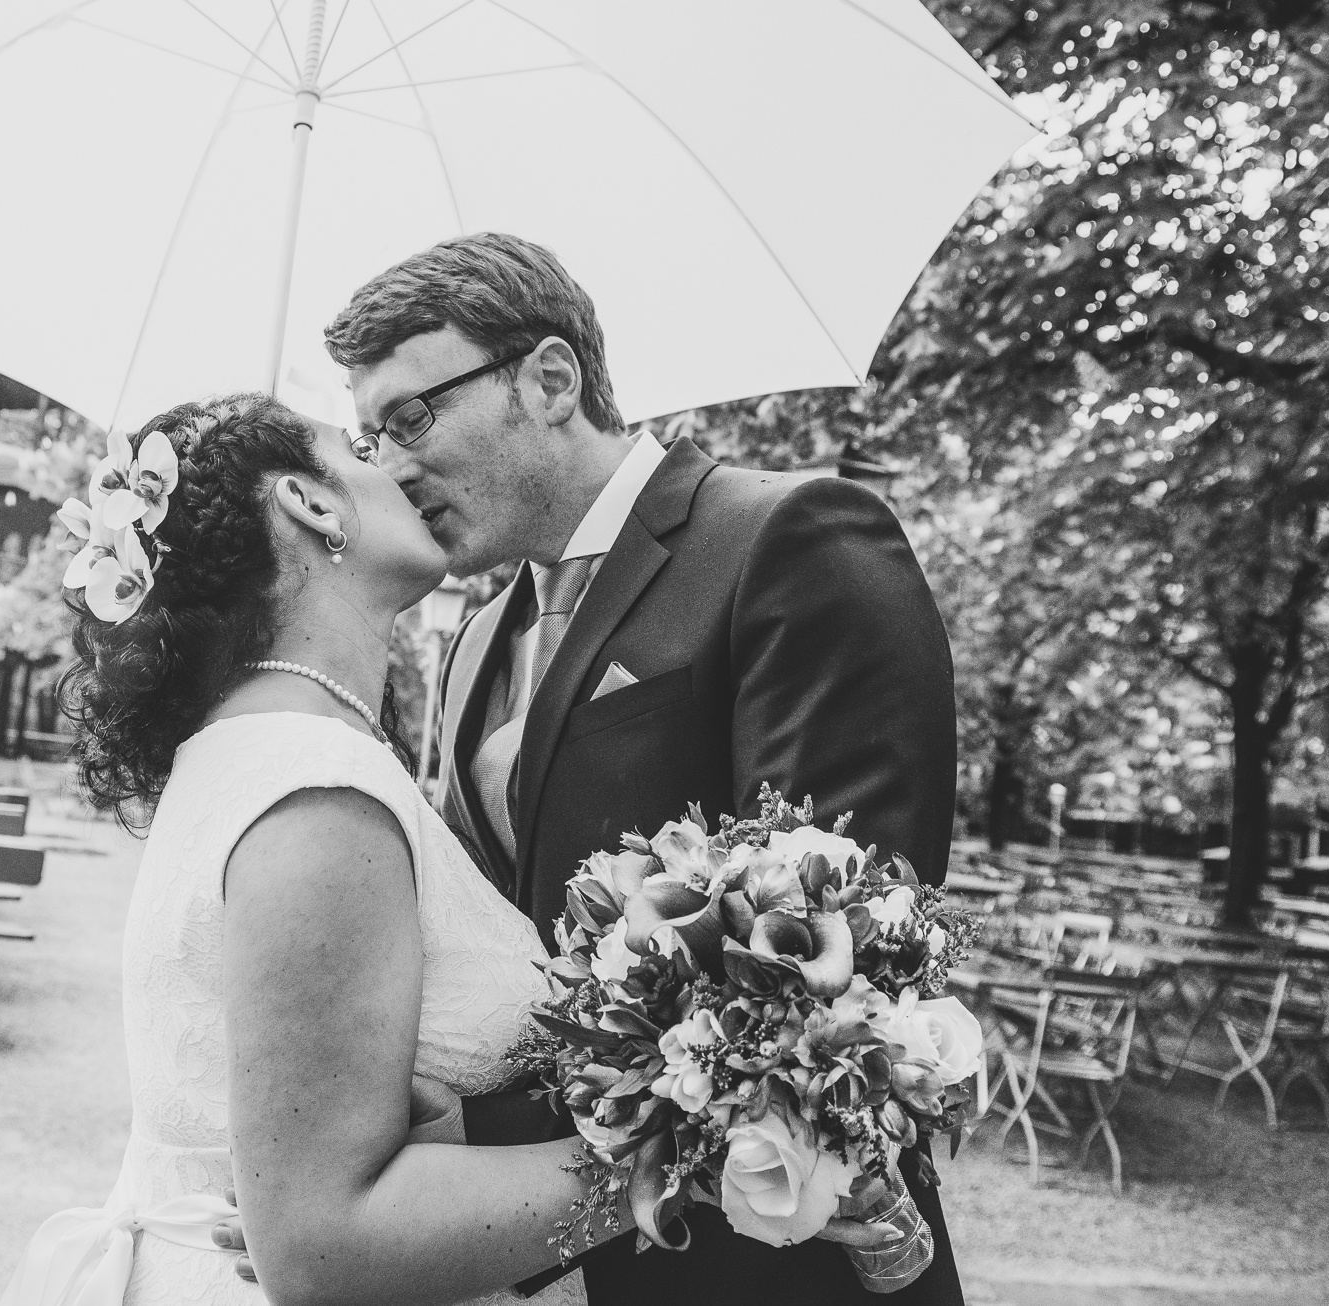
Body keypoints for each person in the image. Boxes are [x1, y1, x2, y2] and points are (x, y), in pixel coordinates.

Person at [0, 394, 898, 1306]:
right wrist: (684, 1162)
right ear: (313, 506)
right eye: (356, 446)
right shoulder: (313, 789)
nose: (392, 464)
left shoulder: (285, 752)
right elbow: (324, 1251)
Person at [319, 232, 966, 1306]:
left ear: (550, 379)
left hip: (774, 1262)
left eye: (410, 417)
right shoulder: (476, 640)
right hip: (542, 1250)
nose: (388, 465)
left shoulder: (789, 537)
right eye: (369, 433)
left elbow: (843, 955)